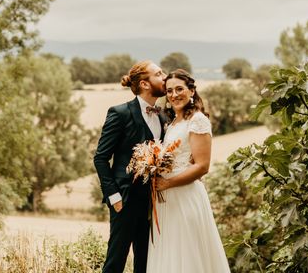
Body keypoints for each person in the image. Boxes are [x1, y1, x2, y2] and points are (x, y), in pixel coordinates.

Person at [146, 68, 230, 272]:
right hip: (167, 201)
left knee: (188, 256)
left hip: (185, 197)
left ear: (192, 91)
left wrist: (167, 183)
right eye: (169, 91)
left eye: (179, 89)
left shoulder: (198, 120)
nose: (174, 95)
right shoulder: (173, 122)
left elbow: (202, 166)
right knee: (170, 256)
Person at [94, 60, 168, 273]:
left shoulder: (163, 116)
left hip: (153, 203)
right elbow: (100, 158)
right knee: (115, 261)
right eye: (159, 74)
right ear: (145, 84)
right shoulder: (120, 113)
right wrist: (114, 197)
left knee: (146, 263)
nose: (164, 77)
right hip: (124, 200)